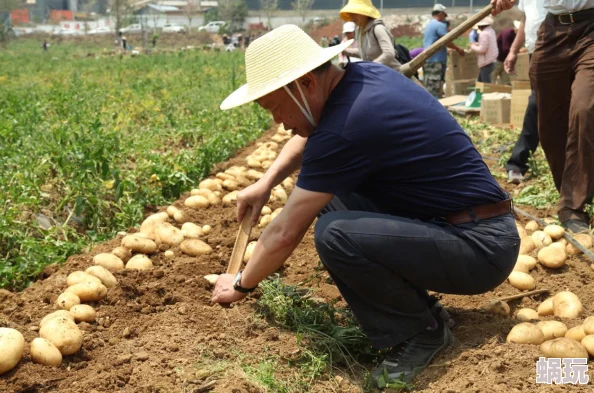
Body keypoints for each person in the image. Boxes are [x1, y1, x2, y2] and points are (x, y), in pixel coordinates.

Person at [214, 24, 519, 385]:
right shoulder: (362, 76)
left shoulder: (349, 122)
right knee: (332, 203)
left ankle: (422, 332)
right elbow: (310, 134)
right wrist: (266, 183)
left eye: (275, 108)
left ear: (305, 85)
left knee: (334, 234)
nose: (278, 124)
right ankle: (424, 311)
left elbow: (284, 232)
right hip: (465, 227)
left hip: (480, 248)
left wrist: (241, 284)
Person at [496, 0, 594, 233]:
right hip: (552, 31)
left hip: (591, 27)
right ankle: (571, 191)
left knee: (584, 110)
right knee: (550, 124)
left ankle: (572, 206)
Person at [503, 0, 547, 184]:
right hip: (535, 51)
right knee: (536, 105)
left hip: (562, 46)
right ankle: (517, 163)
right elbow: (526, 20)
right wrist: (513, 50)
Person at [339, 0, 401, 72]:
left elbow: (389, 53)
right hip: (376, 74)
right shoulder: (359, 30)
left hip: (392, 73)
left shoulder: (378, 28)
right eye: (350, 13)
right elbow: (364, 52)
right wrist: (343, 50)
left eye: (355, 13)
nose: (352, 17)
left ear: (364, 13)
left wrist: (370, 67)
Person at [423, 4, 465, 98]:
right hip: (436, 60)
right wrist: (458, 49)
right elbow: (446, 40)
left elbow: (435, 42)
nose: (444, 18)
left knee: (429, 85)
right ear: (441, 14)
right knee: (435, 86)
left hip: (428, 59)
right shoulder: (440, 25)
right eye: (444, 15)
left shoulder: (429, 25)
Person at [469, 16, 498, 83]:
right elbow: (486, 44)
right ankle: (478, 93)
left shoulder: (483, 34)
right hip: (491, 60)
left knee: (486, 84)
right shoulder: (491, 31)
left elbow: (482, 50)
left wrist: (472, 46)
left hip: (486, 61)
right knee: (480, 82)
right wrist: (477, 44)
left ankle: (488, 93)